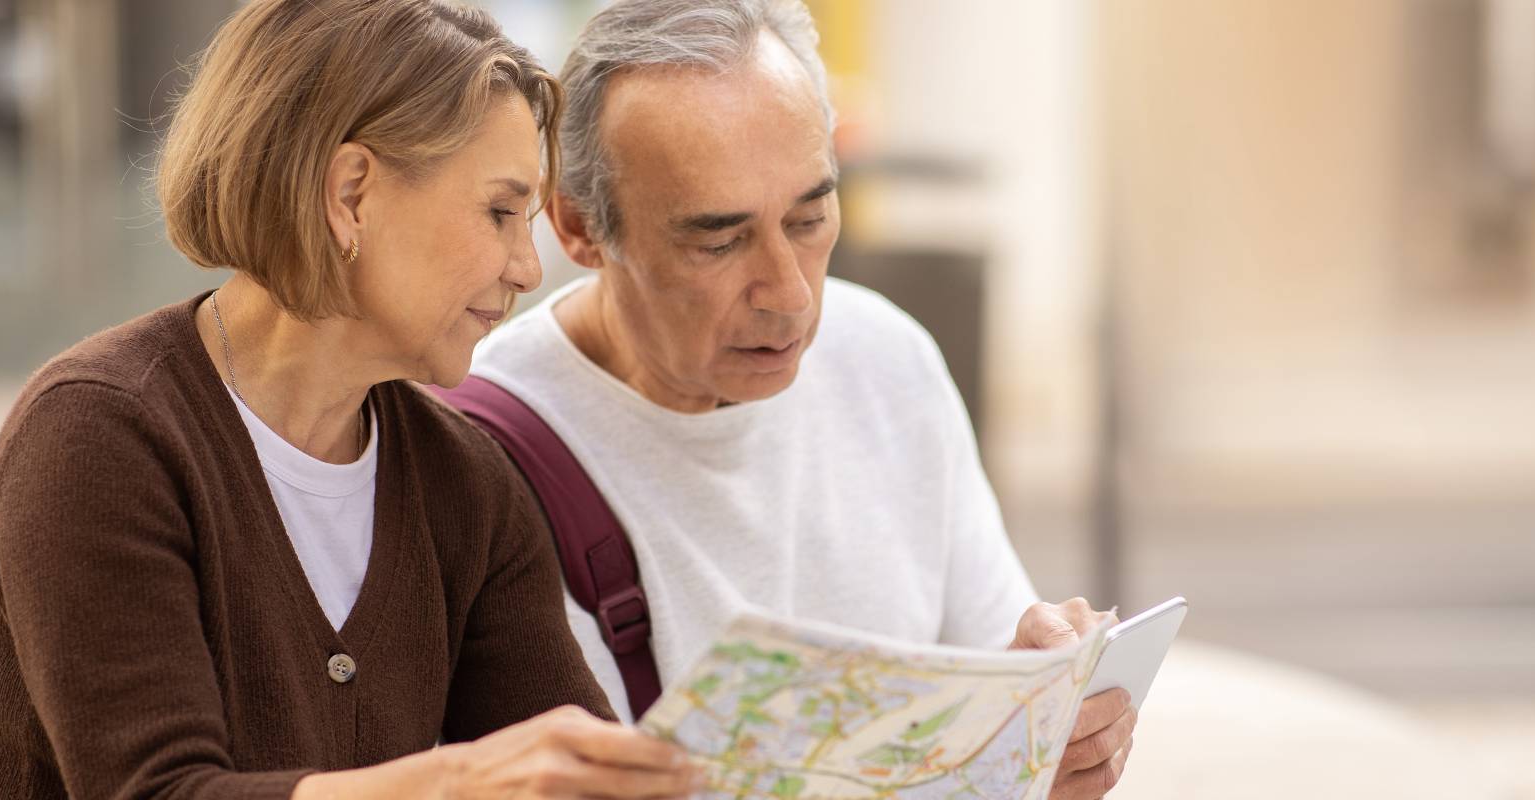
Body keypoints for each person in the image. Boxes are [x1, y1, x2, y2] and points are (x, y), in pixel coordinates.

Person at [0, 1, 701, 798]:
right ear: (350, 195)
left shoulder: (470, 484)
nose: (527, 267)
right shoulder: (96, 434)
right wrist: (454, 783)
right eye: (499, 212)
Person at [464, 1, 1134, 797]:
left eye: (810, 217)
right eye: (719, 240)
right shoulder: (485, 454)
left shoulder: (888, 359)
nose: (789, 295)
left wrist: (1051, 732)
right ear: (579, 228)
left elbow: (997, 664)